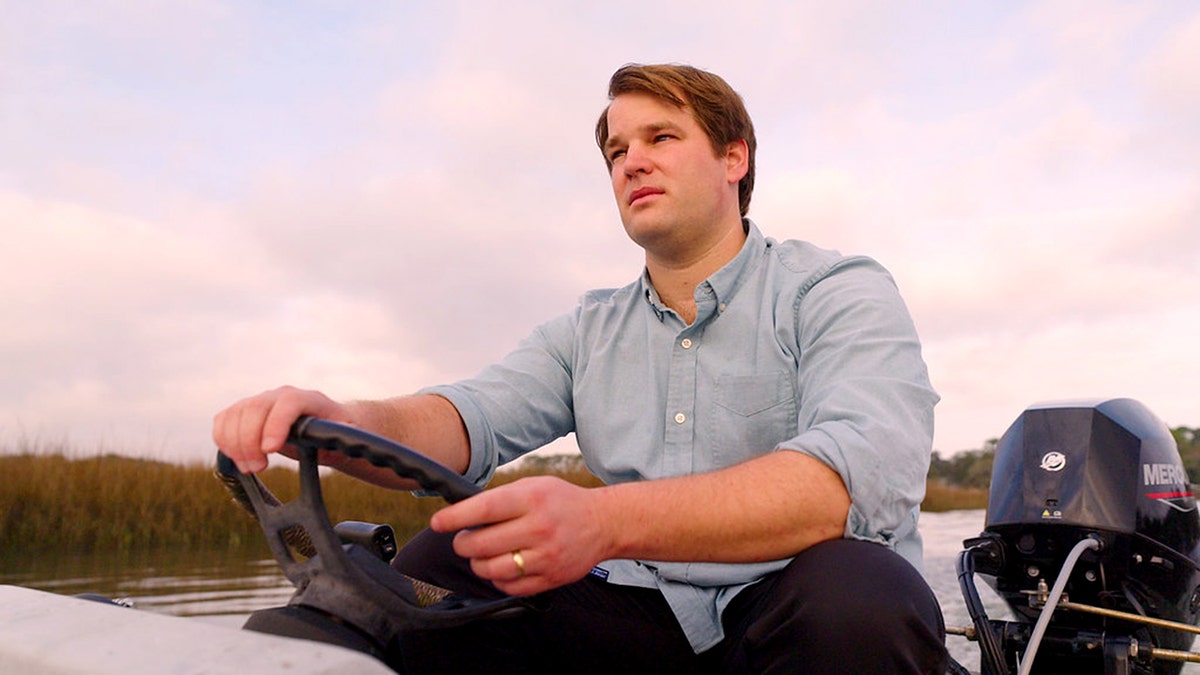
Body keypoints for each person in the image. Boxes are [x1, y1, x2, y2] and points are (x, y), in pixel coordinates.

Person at [214, 63, 949, 674]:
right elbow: (467, 415)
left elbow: (843, 482)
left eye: (662, 135)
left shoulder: (836, 289)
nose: (633, 160)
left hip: (792, 617)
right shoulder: (586, 330)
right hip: (637, 622)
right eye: (617, 150)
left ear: (735, 157)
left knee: (860, 593)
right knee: (440, 555)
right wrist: (345, 421)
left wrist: (602, 521)